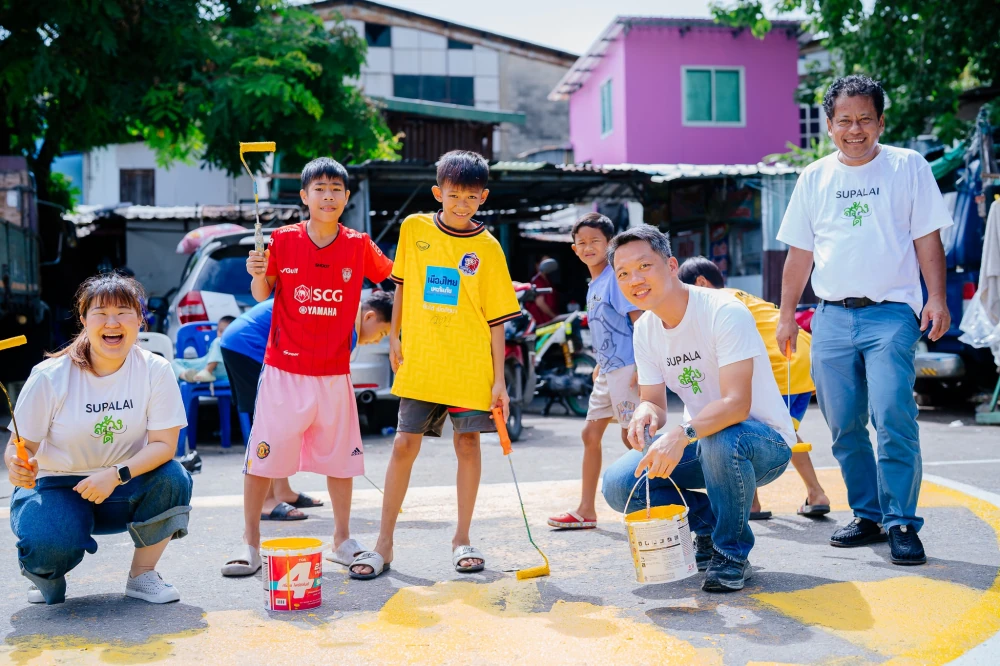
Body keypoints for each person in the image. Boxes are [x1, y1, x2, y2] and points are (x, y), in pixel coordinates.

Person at [775, 75, 952, 565]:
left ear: (880, 121)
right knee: (843, 424)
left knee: (893, 415)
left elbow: (927, 240)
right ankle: (868, 514)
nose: (855, 130)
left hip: (891, 312)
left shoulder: (908, 167)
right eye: (844, 121)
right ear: (829, 125)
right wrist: (788, 315)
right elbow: (799, 253)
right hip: (830, 316)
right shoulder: (813, 177)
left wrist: (935, 298)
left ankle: (901, 522)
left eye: (865, 119)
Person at [348, 150, 520, 579]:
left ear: (483, 197)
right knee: (404, 444)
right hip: (422, 360)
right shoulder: (414, 228)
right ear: (437, 192)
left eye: (470, 197)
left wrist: (499, 381)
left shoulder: (489, 248)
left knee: (468, 445)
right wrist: (396, 339)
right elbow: (402, 287)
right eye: (453, 195)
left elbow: (497, 320)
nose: (461, 204)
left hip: (470, 365)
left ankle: (462, 538)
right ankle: (383, 544)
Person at [221, 157, 394, 577]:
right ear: (304, 196)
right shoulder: (279, 240)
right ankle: (250, 545)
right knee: (262, 459)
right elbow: (262, 291)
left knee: (341, 462)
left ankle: (342, 539)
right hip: (283, 372)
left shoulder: (359, 244)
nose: (328, 195)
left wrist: (401, 335)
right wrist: (256, 271)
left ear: (347, 197)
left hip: (334, 375)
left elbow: (397, 279)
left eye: (336, 189)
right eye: (319, 189)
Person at [600, 226, 794, 592]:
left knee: (722, 436)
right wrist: (645, 413)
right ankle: (706, 529)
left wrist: (680, 433)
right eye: (623, 274)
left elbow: (737, 404)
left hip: (762, 444)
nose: (634, 280)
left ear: (671, 265)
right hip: (705, 442)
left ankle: (732, 554)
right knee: (620, 483)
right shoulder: (645, 330)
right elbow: (654, 401)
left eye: (644, 266)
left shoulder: (723, 310)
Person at [6, 273, 192, 605]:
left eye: (123, 311)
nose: (113, 322)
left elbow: (165, 445)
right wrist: (18, 465)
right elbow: (19, 448)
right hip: (57, 485)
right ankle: (47, 575)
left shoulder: (156, 370)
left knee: (173, 477)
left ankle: (142, 575)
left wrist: (116, 474)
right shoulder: (50, 376)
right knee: (48, 545)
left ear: (139, 319)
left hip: (123, 485)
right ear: (83, 320)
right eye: (101, 313)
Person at [678, 257, 831, 519]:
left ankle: (759, 503)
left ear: (700, 283)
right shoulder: (741, 296)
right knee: (774, 430)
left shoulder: (715, 302)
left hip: (781, 363)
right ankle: (808, 494)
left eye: (685, 290)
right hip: (799, 356)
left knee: (746, 429)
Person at [220, 292, 395, 521]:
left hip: (239, 338)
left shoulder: (344, 311)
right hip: (249, 343)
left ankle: (282, 491)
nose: (376, 340)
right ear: (370, 316)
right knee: (271, 424)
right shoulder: (346, 326)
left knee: (278, 421)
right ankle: (267, 501)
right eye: (382, 333)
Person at [547, 213, 640, 530]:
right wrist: (600, 362)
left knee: (634, 438)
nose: (588, 247)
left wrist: (644, 364)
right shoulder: (595, 283)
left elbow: (640, 320)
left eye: (595, 241)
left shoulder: (617, 278)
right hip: (608, 371)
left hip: (628, 368)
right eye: (582, 243)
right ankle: (586, 510)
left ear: (611, 243)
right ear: (573, 249)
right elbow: (608, 328)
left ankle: (658, 505)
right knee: (591, 434)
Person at [172, 315, 234, 382]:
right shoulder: (216, 345)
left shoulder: (225, 343)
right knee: (174, 363)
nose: (223, 334)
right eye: (220, 331)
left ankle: (207, 371)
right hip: (204, 369)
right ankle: (187, 376)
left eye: (227, 332)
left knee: (218, 341)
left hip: (225, 369)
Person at [523, 255, 559, 324]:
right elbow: (540, 303)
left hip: (549, 320)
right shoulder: (536, 281)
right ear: (537, 265)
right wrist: (554, 317)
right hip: (542, 323)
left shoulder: (548, 280)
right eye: (545, 263)